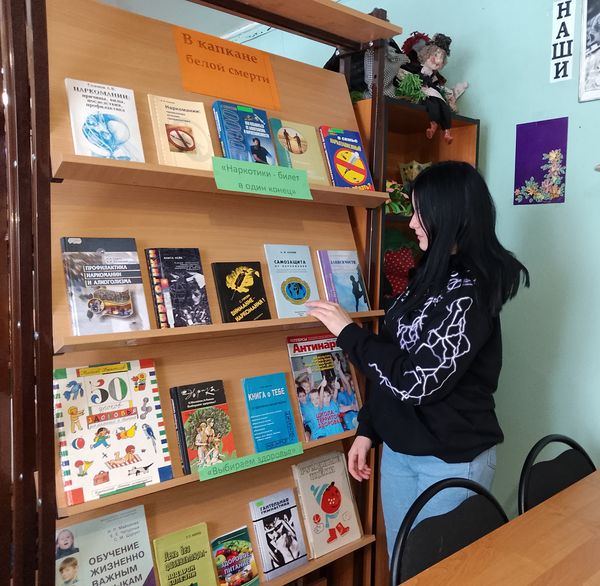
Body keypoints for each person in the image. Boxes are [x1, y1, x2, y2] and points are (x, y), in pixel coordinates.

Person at [306, 161, 530, 560]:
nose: (411, 223)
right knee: (403, 565)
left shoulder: (471, 293)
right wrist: (368, 429)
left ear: (449, 214)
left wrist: (349, 333)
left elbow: (416, 381)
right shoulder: (429, 273)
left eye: (418, 212)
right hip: (400, 451)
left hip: (451, 461)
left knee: (443, 573)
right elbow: (391, 357)